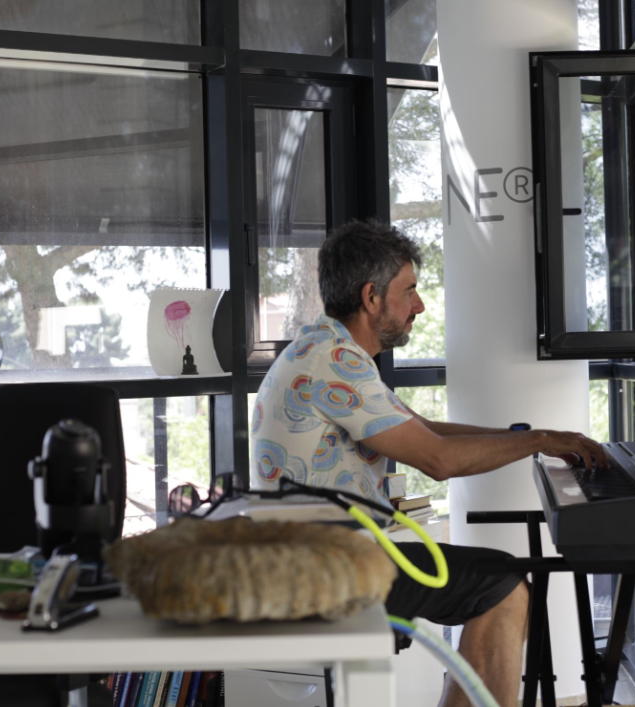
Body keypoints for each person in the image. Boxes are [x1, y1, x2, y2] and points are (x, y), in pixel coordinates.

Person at [250, 219, 608, 707]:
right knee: (500, 583)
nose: (419, 305)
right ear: (372, 297)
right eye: (410, 290)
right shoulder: (336, 361)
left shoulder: (325, 347)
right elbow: (438, 460)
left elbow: (423, 429)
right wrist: (542, 439)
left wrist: (528, 437)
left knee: (495, 575)